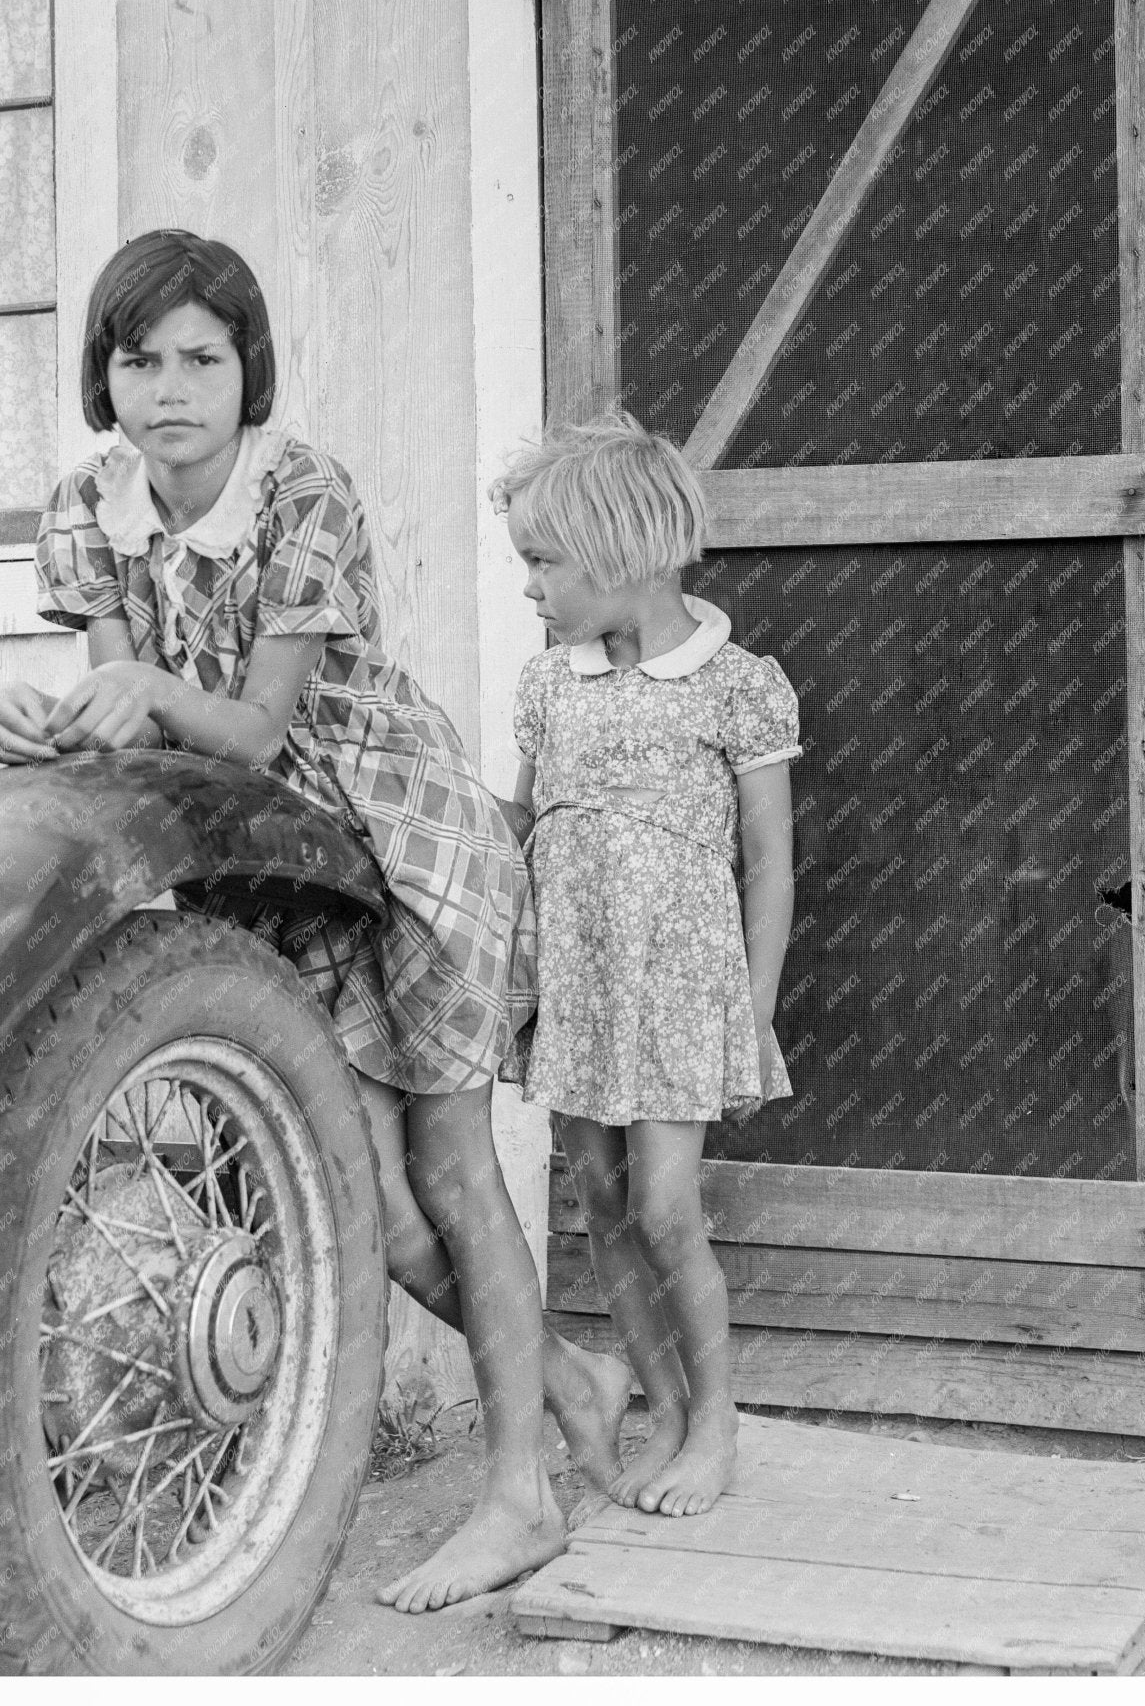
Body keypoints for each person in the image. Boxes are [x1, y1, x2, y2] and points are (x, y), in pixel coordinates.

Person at [0, 228, 632, 1611]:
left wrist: (140, 691)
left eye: (201, 358)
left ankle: (520, 1502)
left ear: (245, 368)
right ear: (104, 376)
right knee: (370, 1205)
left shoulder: (304, 494)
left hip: (403, 836)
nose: (169, 389)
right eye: (136, 359)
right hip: (268, 861)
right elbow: (128, 725)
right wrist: (31, 723)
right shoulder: (89, 509)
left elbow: (260, 724)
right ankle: (577, 1381)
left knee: (451, 1168)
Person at [492, 411, 799, 1517]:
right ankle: (662, 1401)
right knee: (604, 1202)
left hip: (676, 992)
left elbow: (768, 865)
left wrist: (752, 1016)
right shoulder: (549, 685)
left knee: (667, 1206)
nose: (530, 586)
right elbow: (522, 826)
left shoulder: (736, 684)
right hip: (581, 984)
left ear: (622, 552)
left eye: (543, 561)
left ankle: (717, 1421)